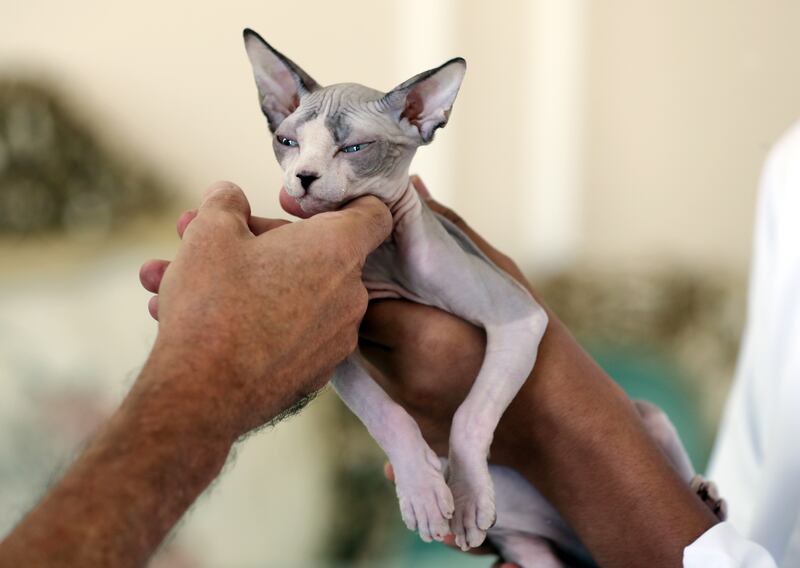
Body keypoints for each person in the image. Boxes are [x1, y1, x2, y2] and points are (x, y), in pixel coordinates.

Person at [0, 153, 783, 567]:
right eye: (292, 142)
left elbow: (725, 537)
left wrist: (541, 424)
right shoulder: (789, 174)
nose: (308, 173)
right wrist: (216, 363)